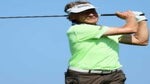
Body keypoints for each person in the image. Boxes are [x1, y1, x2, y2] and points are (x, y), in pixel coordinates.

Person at [64, 1, 149, 84]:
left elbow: (141, 40)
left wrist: (142, 19)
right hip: (85, 76)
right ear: (73, 17)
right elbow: (131, 29)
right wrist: (130, 17)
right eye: (84, 13)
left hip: (114, 76)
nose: (91, 14)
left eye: (92, 11)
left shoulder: (105, 30)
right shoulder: (77, 30)